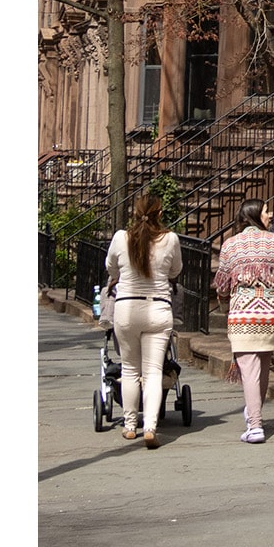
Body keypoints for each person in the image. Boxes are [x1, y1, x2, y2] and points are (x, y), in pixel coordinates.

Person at [212, 201, 274, 443]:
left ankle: (255, 425)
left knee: (249, 370)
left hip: (242, 316)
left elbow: (222, 284)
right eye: (267, 212)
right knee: (262, 367)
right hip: (270, 315)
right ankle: (254, 414)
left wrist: (225, 305)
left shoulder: (230, 245)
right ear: (255, 215)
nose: (270, 216)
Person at [101, 192, 182, 447]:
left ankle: (129, 425)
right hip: (158, 309)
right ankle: (150, 426)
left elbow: (110, 267)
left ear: (134, 214)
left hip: (127, 308)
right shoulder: (170, 239)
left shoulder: (120, 238)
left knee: (130, 370)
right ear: (160, 214)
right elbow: (176, 270)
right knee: (153, 372)